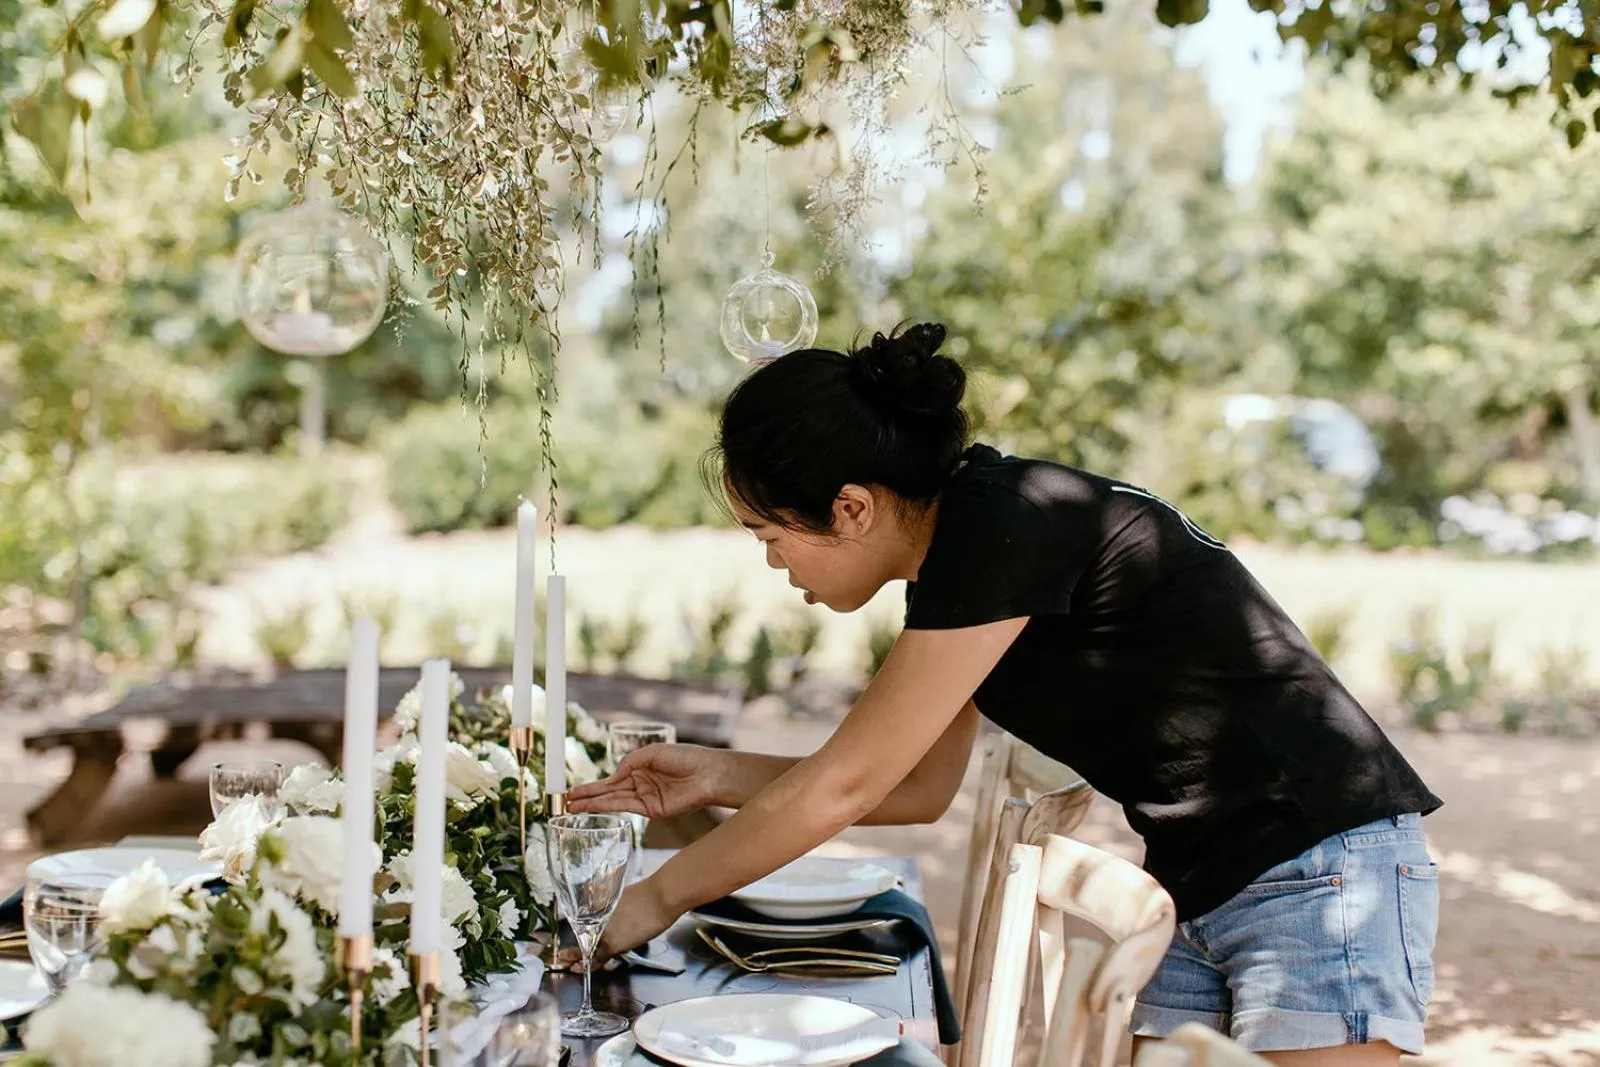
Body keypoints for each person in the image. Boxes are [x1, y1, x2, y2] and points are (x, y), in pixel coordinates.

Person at [567, 323, 1442, 1065]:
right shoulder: (964, 553)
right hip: (1207, 884)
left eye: (770, 532)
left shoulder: (999, 529)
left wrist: (647, 900)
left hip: (1320, 870)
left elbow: (849, 782)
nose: (771, 561)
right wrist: (715, 775)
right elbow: (917, 787)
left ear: (852, 508)